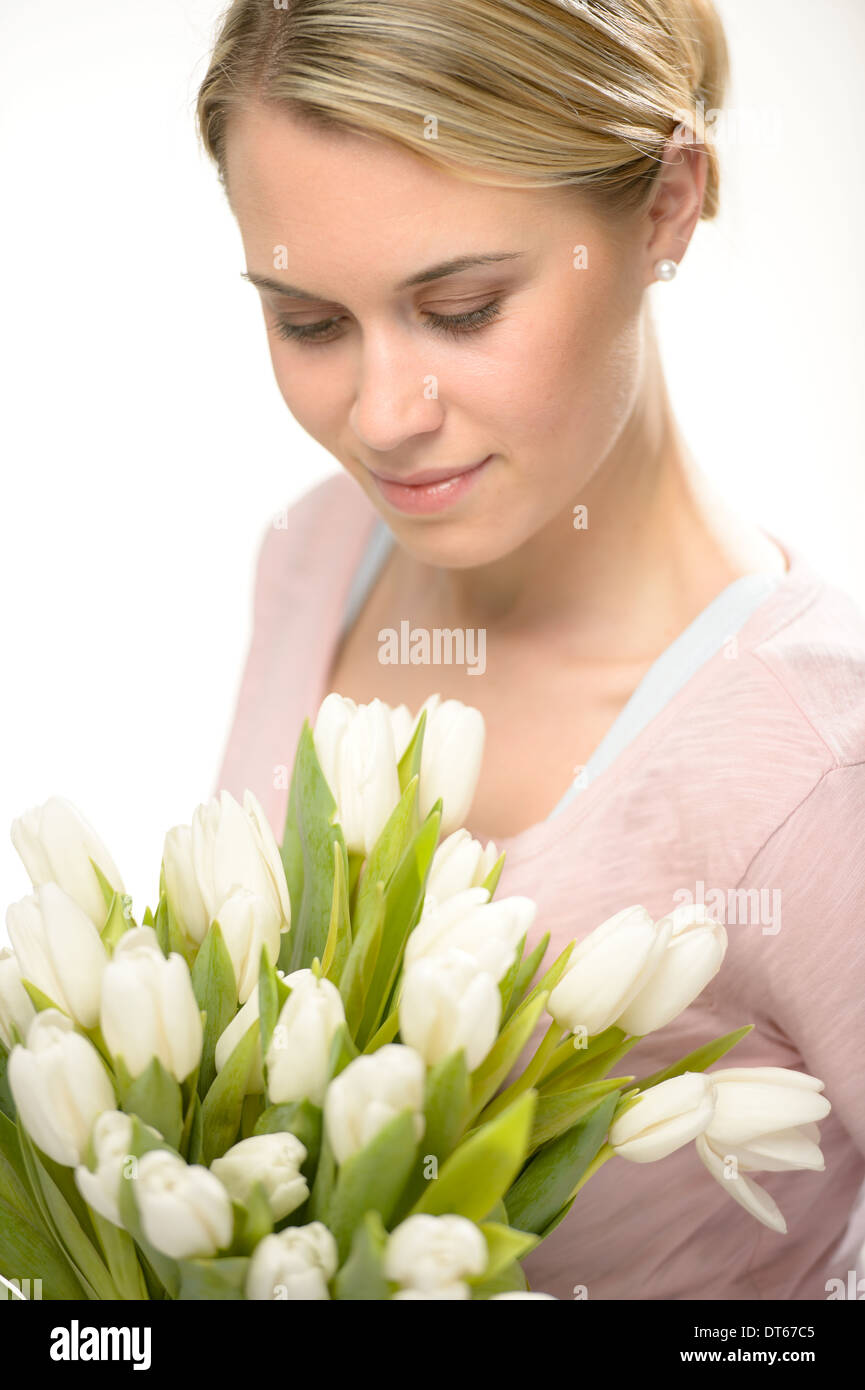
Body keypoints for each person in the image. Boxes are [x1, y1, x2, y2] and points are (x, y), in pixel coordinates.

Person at [196, 0, 865, 1298]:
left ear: (666, 203)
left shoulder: (810, 767)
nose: (383, 418)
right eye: (311, 322)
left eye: (460, 306)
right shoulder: (316, 558)